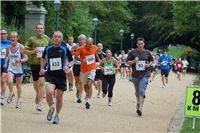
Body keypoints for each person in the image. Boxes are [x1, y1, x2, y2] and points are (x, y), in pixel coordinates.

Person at [40, 31, 73, 124]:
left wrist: (68, 66)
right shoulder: (48, 48)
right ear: (52, 38)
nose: (56, 38)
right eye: (55, 36)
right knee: (49, 92)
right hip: (50, 74)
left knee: (59, 98)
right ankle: (51, 108)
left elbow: (71, 61)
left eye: (59, 37)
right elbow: (43, 58)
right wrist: (42, 68)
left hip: (61, 76)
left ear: (61, 39)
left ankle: (57, 115)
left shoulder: (65, 49)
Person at [24, 23, 51, 111]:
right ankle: (38, 94)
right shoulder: (31, 39)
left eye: (41, 28)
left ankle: (40, 103)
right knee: (36, 83)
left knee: (42, 82)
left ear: (44, 30)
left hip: (44, 64)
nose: (39, 30)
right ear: (36, 30)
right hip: (34, 63)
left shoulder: (48, 40)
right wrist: (33, 52)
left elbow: (51, 50)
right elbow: (24, 50)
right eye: (38, 28)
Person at [126, 38, 153, 116]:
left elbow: (152, 60)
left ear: (144, 44)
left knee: (141, 90)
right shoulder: (132, 52)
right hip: (135, 75)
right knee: (137, 91)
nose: (140, 45)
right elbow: (127, 62)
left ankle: (140, 108)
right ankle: (138, 102)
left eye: (142, 44)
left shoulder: (147, 52)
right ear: (137, 44)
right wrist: (134, 61)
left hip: (145, 74)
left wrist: (149, 64)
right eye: (139, 44)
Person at [4, 31, 28, 108]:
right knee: (10, 81)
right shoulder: (8, 47)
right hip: (11, 67)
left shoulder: (21, 47)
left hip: (19, 68)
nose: (12, 38)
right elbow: (7, 56)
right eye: (11, 37)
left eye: (14, 37)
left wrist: (20, 60)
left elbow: (26, 58)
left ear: (17, 38)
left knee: (18, 85)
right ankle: (11, 93)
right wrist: (5, 63)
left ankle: (19, 100)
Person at [75, 37, 98, 109]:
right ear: (86, 43)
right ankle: (87, 96)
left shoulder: (95, 47)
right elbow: (75, 57)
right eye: (87, 44)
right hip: (84, 70)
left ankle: (88, 100)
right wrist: (82, 60)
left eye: (90, 44)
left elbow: (95, 54)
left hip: (92, 68)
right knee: (85, 86)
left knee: (89, 83)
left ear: (92, 43)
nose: (89, 45)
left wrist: (99, 60)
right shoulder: (81, 48)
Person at [72, 34, 86, 103]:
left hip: (83, 65)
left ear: (85, 40)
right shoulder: (75, 46)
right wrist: (73, 52)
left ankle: (80, 96)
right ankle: (77, 90)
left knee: (81, 81)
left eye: (83, 39)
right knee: (77, 81)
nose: (82, 41)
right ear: (79, 40)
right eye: (80, 39)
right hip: (76, 65)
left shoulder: (87, 47)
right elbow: (70, 53)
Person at [0, 29, 12, 105]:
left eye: (4, 33)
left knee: (3, 80)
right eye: (1, 34)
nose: (2, 35)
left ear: (7, 35)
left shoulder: (10, 43)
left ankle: (2, 97)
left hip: (6, 64)